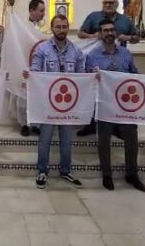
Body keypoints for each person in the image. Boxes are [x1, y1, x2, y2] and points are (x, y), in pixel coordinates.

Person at [85, 19, 145, 192]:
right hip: (104, 104)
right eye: (106, 30)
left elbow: (134, 74)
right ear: (100, 33)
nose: (110, 33)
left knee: (132, 138)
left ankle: (132, 174)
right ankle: (107, 175)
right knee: (104, 141)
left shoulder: (125, 54)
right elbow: (87, 79)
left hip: (125, 105)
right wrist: (93, 76)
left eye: (112, 30)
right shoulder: (93, 56)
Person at [24, 14, 85, 190]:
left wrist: (91, 76)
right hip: (48, 103)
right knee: (45, 138)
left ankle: (66, 170)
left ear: (68, 27)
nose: (61, 30)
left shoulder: (76, 51)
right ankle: (42, 171)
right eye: (58, 27)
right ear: (52, 28)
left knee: (67, 139)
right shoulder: (42, 49)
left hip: (68, 104)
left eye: (64, 26)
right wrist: (30, 74)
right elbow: (35, 69)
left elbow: (82, 75)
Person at [76, 0, 140, 136]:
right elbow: (80, 33)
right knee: (95, 93)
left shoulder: (125, 20)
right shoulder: (93, 17)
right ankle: (91, 124)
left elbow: (137, 37)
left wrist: (128, 37)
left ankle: (117, 125)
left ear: (117, 4)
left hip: (119, 61)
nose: (108, 5)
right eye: (105, 2)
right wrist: (92, 36)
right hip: (98, 59)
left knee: (118, 94)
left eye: (111, 3)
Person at [0, 0, 49, 136]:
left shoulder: (47, 28)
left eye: (44, 10)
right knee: (23, 98)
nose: (44, 13)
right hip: (24, 64)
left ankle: (37, 124)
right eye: (41, 10)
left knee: (39, 98)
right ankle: (24, 124)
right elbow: (12, 43)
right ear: (32, 10)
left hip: (40, 68)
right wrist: (3, 34)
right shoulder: (22, 26)